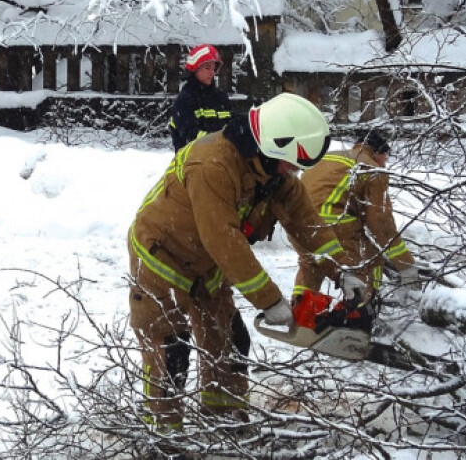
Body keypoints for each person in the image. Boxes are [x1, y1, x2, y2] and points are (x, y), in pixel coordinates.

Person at [128, 93, 368, 435]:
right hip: (161, 257)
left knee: (230, 340)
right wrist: (270, 300)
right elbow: (223, 238)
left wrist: (342, 269)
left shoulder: (274, 174)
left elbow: (309, 225)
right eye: (292, 163)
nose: (295, 172)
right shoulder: (213, 164)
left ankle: (225, 423)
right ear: (275, 146)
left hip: (208, 263)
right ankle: (163, 434)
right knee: (172, 348)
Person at [291, 131, 421, 323]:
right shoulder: (371, 168)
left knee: (311, 263)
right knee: (367, 260)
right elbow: (381, 224)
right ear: (378, 153)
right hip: (333, 223)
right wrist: (406, 265)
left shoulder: (329, 157)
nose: (385, 163)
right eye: (386, 157)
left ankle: (302, 313)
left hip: (297, 222)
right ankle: (359, 316)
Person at [168, 44, 232, 152]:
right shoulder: (185, 99)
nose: (212, 72)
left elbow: (232, 123)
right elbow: (190, 136)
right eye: (207, 68)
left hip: (220, 160)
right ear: (195, 69)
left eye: (214, 68)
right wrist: (221, 141)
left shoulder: (221, 97)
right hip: (193, 163)